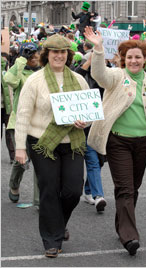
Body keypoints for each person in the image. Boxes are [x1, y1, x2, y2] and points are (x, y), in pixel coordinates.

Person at [84, 26, 146, 256]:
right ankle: (130, 236)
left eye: (138, 57)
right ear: (124, 59)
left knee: (133, 188)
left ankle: (121, 224)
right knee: (124, 188)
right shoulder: (116, 76)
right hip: (118, 142)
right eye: (130, 57)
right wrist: (98, 48)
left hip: (143, 143)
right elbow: (99, 74)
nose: (134, 61)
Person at [14, 34, 89, 258]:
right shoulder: (34, 81)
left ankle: (57, 224)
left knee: (73, 191)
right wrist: (19, 147)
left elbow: (91, 110)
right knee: (49, 190)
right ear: (47, 55)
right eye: (55, 52)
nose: (59, 55)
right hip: (42, 142)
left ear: (68, 54)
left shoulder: (79, 79)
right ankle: (51, 239)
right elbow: (22, 115)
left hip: (72, 142)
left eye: (63, 51)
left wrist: (86, 120)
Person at [4, 42, 41, 205]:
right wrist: (20, 60)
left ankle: (40, 200)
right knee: (22, 160)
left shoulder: (43, 72)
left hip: (40, 123)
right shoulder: (20, 72)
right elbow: (9, 80)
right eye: (31, 57)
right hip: (19, 122)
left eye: (36, 56)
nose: (35, 59)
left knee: (41, 161)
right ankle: (14, 185)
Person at [74, 52, 107, 212]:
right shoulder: (78, 75)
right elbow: (76, 74)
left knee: (99, 161)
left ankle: (88, 191)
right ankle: (98, 196)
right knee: (93, 161)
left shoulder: (102, 78)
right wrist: (91, 58)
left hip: (99, 126)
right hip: (81, 127)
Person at [1, 54, 15, 163]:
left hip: (8, 103)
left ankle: (14, 156)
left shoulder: (5, 64)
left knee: (10, 130)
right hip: (6, 102)